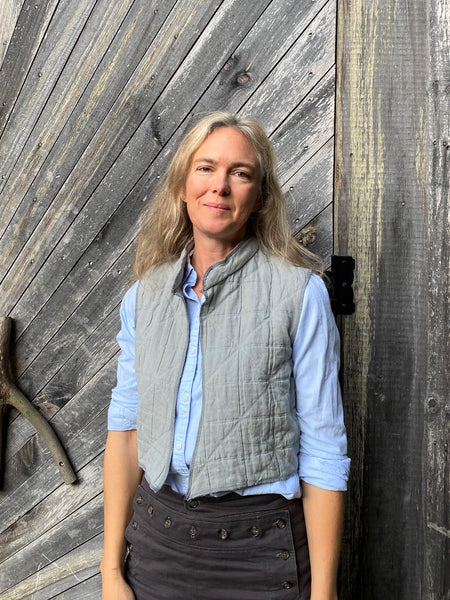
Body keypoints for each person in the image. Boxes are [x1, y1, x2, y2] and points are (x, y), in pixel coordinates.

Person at [100, 112, 350, 600]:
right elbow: (127, 430)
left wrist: (324, 593)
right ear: (181, 185)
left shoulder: (300, 294)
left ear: (259, 198)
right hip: (156, 548)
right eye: (206, 168)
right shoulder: (143, 297)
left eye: (241, 174)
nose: (221, 186)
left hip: (261, 553)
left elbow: (323, 451)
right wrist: (111, 570)